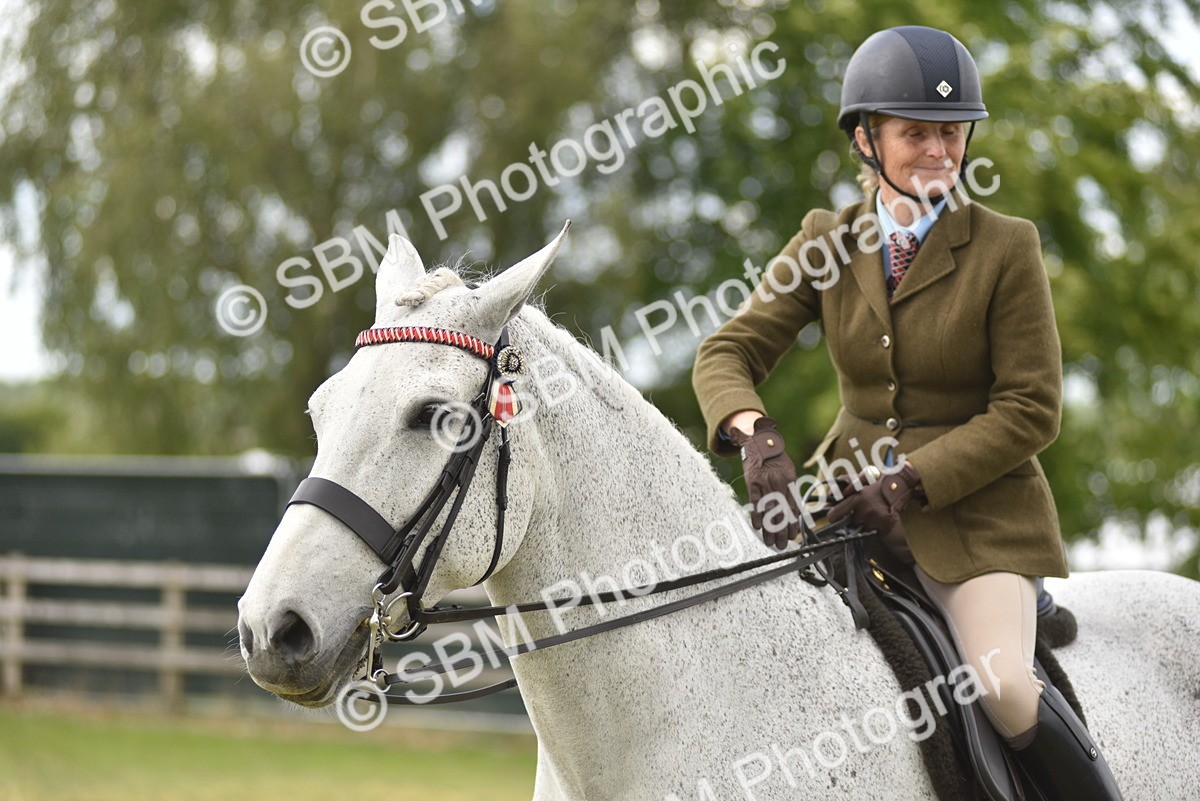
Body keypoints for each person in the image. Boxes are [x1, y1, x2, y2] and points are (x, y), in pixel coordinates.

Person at [691, 25, 1123, 800]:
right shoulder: (827, 242)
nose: (938, 151)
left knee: (1002, 686)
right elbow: (727, 352)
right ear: (866, 139)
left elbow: (1032, 408)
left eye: (951, 133)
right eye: (915, 132)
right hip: (844, 501)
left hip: (979, 519)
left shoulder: (1005, 246)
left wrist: (912, 481)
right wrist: (755, 436)